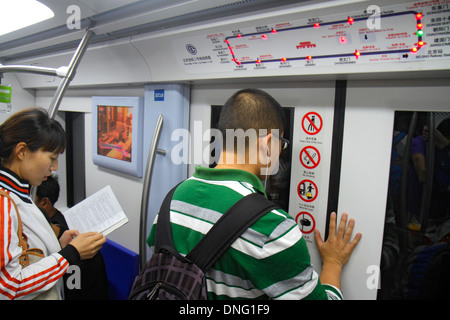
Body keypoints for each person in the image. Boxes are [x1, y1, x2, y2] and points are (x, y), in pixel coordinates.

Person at [147, 88, 361, 300]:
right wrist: (333, 264)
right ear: (268, 144)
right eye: (282, 144)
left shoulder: (173, 197)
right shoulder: (272, 228)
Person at [0, 108, 106, 300]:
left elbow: (24, 254)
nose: (54, 167)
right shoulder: (3, 204)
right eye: (52, 158)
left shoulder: (18, 193)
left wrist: (57, 245)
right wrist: (70, 254)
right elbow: (8, 288)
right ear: (22, 151)